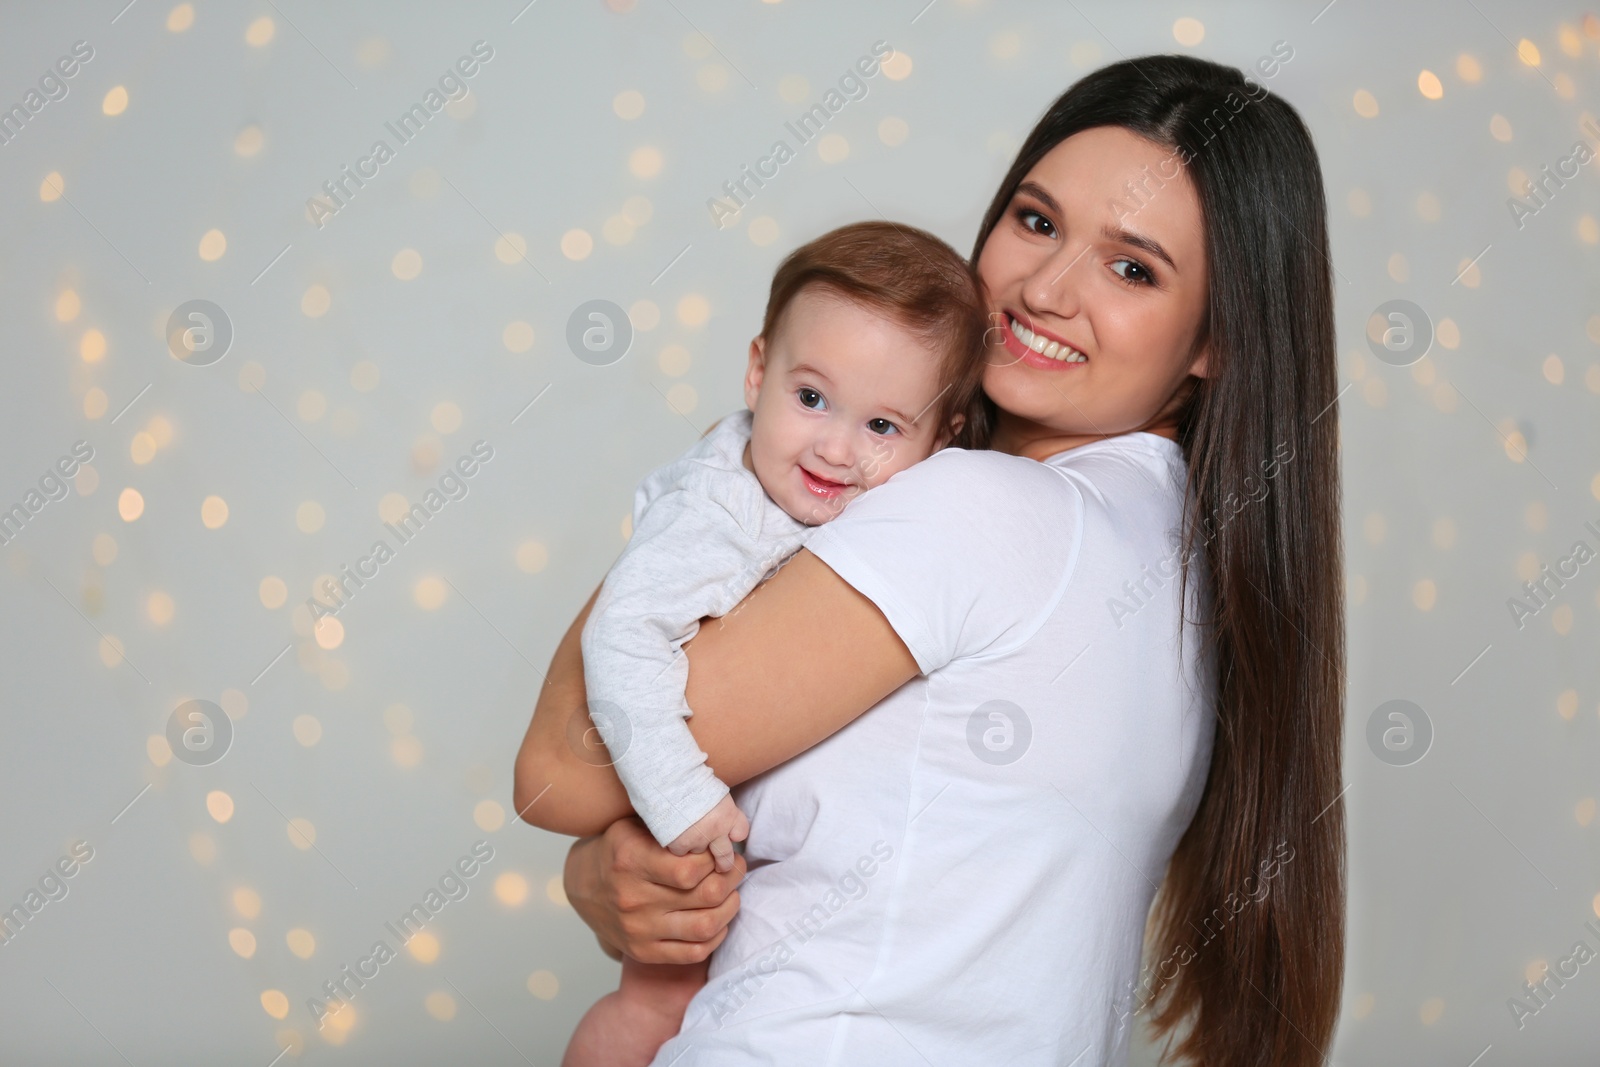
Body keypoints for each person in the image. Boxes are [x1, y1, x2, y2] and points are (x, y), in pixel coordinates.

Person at [517, 53, 1346, 1067]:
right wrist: (630, 878)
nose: (1043, 288)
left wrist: (723, 473)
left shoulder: (977, 511)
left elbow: (557, 768)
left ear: (1220, 332)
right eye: (1036, 221)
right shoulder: (1178, 561)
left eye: (1132, 268)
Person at [562, 221, 988, 1067]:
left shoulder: (885, 508)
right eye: (811, 399)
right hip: (678, 798)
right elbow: (618, 637)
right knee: (652, 1005)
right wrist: (681, 801)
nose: (835, 447)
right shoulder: (715, 513)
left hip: (757, 828)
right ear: (758, 372)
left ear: (942, 442)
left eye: (882, 426)